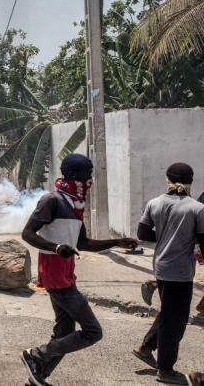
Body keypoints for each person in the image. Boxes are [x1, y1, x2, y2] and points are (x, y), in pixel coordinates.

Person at [20, 153, 138, 386]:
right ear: (74, 175)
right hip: (55, 276)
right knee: (93, 332)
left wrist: (116, 242)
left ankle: (38, 376)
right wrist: (56, 248)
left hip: (66, 275)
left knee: (65, 331)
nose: (90, 179)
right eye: (88, 174)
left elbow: (83, 244)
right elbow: (27, 234)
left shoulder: (75, 205)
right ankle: (35, 355)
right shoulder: (51, 200)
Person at [132, 162, 204, 385]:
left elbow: (143, 232)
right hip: (180, 273)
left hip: (161, 269)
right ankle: (165, 371)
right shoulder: (196, 208)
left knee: (169, 313)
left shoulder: (155, 203)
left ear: (168, 179)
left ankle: (145, 347)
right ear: (190, 181)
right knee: (175, 323)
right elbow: (203, 240)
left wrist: (164, 236)